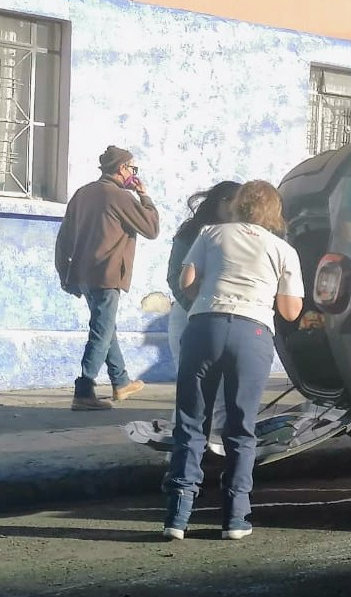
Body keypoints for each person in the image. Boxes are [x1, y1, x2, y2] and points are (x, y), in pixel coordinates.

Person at [162, 180, 304, 541]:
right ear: (274, 212)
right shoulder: (282, 249)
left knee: (191, 422)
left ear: (238, 205)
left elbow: (188, 282)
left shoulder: (209, 233)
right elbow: (289, 311)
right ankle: (235, 518)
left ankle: (177, 517)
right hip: (252, 334)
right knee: (241, 428)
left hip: (204, 326)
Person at [54, 145, 160, 411]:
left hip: (83, 275)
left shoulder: (83, 193)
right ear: (122, 169)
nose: (134, 174)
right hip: (108, 273)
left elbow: (63, 238)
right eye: (133, 169)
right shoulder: (120, 196)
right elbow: (152, 228)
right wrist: (144, 196)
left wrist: (64, 273)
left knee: (106, 328)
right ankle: (84, 389)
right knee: (101, 331)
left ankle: (121, 382)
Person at [167, 181, 241, 368]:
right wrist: (198, 309)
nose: (233, 206)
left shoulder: (247, 236)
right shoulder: (191, 233)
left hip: (230, 317)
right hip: (188, 314)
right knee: (189, 380)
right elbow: (175, 276)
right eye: (228, 200)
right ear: (217, 201)